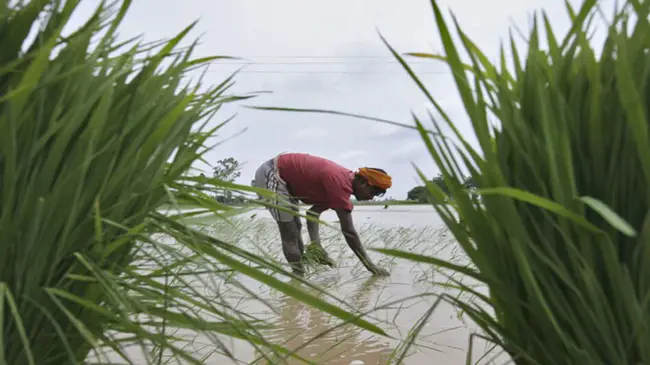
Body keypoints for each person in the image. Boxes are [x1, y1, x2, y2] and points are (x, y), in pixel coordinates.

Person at [252, 152, 392, 276]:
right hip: (273, 173)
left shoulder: (338, 186)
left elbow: (312, 214)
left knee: (296, 227)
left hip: (286, 182)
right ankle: (298, 278)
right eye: (372, 192)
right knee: (289, 231)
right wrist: (370, 266)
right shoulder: (340, 183)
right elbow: (349, 231)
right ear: (362, 182)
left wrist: (316, 246)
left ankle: (300, 274)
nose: (371, 197)